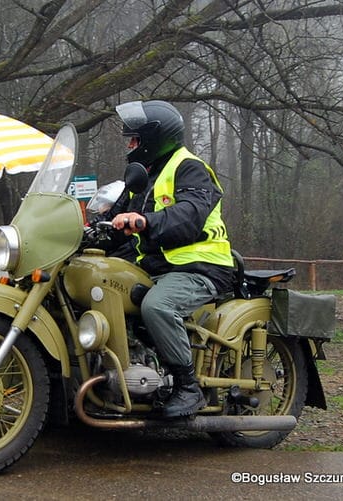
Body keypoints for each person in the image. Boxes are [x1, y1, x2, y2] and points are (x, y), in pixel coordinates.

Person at [105, 100, 235, 418]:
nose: (130, 145)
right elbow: (118, 219)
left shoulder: (189, 167)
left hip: (201, 267)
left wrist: (146, 221)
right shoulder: (144, 177)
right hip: (158, 268)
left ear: (154, 138)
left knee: (157, 305)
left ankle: (187, 387)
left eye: (134, 139)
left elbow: (189, 214)